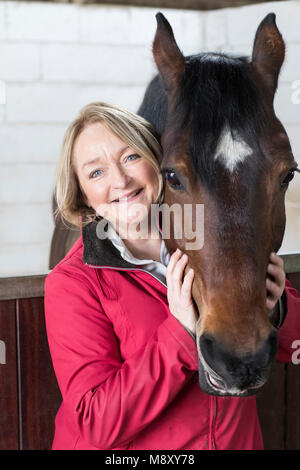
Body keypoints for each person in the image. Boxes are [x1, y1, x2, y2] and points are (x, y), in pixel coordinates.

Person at [44, 101, 300, 450]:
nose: (120, 180)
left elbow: (294, 343)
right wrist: (179, 333)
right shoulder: (72, 283)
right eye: (96, 173)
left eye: (131, 157)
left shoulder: (217, 234)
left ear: (158, 162)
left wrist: (275, 310)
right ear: (83, 196)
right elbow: (94, 424)